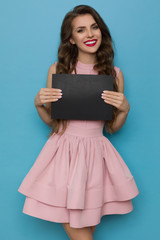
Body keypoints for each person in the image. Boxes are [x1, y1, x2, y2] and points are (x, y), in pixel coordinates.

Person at [18, 4, 140, 240]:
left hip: (96, 155)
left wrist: (124, 110)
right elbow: (55, 123)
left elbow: (111, 127)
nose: (90, 34)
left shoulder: (114, 74)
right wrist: (38, 105)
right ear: (71, 39)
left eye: (94, 27)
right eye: (81, 30)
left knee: (87, 227)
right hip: (63, 154)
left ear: (101, 31)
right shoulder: (58, 69)